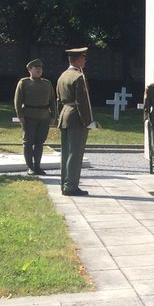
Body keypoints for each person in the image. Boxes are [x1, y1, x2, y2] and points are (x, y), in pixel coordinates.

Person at [57, 47, 94, 196]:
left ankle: (65, 183)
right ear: (78, 60)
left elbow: (59, 100)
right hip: (76, 118)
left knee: (66, 153)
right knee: (75, 153)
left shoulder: (63, 76)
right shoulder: (79, 77)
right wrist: (88, 121)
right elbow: (82, 102)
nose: (85, 61)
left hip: (65, 115)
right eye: (83, 58)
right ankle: (71, 186)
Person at [14, 58, 56, 176]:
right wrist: (20, 116)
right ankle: (30, 167)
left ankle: (37, 166)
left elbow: (52, 101)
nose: (39, 70)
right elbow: (17, 101)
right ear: (29, 70)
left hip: (44, 117)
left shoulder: (47, 83)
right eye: (36, 68)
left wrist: (53, 115)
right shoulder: (24, 82)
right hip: (29, 116)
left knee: (39, 143)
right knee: (28, 142)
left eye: (40, 68)